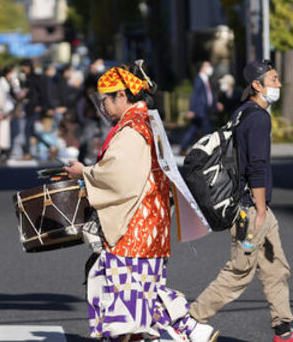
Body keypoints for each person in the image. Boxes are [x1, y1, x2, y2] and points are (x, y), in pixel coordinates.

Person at [61, 65, 217, 341]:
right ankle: (189, 328)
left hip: (135, 224)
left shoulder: (132, 129)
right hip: (153, 222)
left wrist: (84, 172)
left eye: (106, 100)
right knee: (140, 289)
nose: (103, 107)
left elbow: (117, 175)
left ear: (122, 95)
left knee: (122, 287)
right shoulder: (147, 121)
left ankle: (188, 327)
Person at [189, 60, 293, 342]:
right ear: (257, 86)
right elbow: (256, 166)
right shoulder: (258, 118)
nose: (279, 85)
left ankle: (283, 333)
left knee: (276, 268)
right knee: (239, 272)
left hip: (257, 209)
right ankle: (190, 321)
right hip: (251, 210)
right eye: (273, 80)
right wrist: (260, 210)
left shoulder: (242, 113)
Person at [181, 61, 216, 152]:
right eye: (207, 66)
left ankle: (183, 147)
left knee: (194, 129)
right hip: (200, 110)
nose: (210, 68)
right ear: (202, 68)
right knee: (207, 130)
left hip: (205, 110)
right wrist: (191, 110)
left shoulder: (206, 80)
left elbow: (209, 95)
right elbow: (195, 95)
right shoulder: (199, 79)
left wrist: (215, 104)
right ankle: (210, 149)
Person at [0, 65, 18, 162]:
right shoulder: (1, 81)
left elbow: (15, 94)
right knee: (4, 133)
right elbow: (2, 97)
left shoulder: (11, 81)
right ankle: (4, 152)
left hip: (10, 110)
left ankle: (6, 151)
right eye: (12, 72)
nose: (13, 74)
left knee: (11, 131)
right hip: (4, 111)